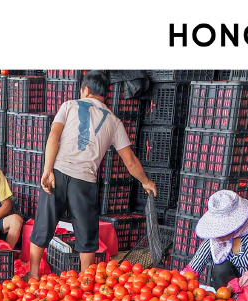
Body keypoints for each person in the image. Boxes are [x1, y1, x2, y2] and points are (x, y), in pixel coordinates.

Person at [28, 71, 158, 280]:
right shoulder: (114, 122)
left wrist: (47, 169)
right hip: (84, 181)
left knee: (43, 225)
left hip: (58, 174)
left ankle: (33, 276)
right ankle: (84, 282)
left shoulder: (69, 106)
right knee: (86, 236)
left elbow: (53, 135)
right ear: (105, 94)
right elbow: (130, 161)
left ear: (85, 90)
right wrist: (146, 182)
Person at [183, 190, 248, 292]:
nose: (218, 235)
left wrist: (236, 285)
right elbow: (194, 267)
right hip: (226, 290)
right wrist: (178, 281)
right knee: (221, 268)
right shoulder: (215, 238)